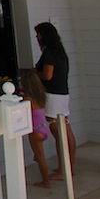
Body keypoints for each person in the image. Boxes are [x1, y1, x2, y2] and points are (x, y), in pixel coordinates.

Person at [34, 21, 77, 180]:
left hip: (52, 96)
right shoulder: (59, 51)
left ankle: (63, 171)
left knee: (59, 134)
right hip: (63, 94)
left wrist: (34, 73)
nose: (37, 37)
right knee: (66, 131)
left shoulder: (49, 53)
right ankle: (69, 167)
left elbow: (47, 75)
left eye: (38, 34)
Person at [20, 69, 53, 189]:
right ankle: (45, 177)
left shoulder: (28, 99)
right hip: (44, 128)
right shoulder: (41, 96)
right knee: (38, 155)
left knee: (41, 158)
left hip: (35, 131)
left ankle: (46, 182)